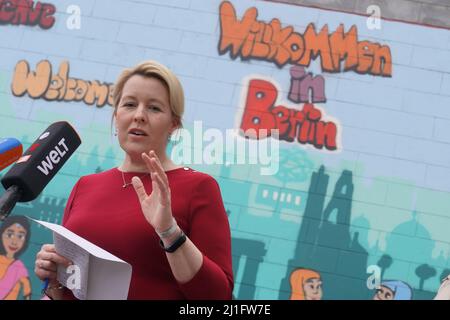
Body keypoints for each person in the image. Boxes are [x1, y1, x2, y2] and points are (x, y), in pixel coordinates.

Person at [34, 60, 234, 299]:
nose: (139, 115)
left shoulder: (199, 187)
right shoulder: (85, 186)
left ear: (173, 125)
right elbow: (67, 291)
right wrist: (54, 280)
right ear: (116, 116)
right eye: (129, 104)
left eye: (154, 108)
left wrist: (169, 231)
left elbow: (217, 295)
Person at [0, 215, 32, 300]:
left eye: (20, 236)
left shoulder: (20, 267)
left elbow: (27, 292)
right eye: (10, 234)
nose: (14, 242)